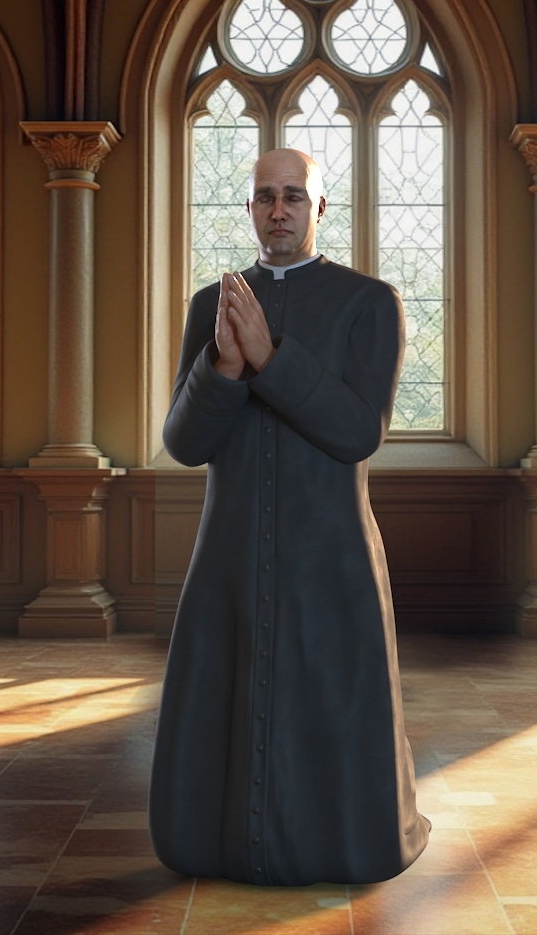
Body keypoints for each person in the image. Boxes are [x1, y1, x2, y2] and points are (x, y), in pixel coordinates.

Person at [149, 148, 432, 886]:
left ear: (320, 209)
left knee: (331, 713)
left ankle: (337, 847)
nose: (280, 210)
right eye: (266, 197)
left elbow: (356, 431)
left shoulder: (370, 301)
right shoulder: (210, 306)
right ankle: (219, 847)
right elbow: (183, 442)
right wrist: (225, 369)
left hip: (332, 554)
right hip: (229, 555)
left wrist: (271, 358)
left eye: (295, 197)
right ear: (249, 208)